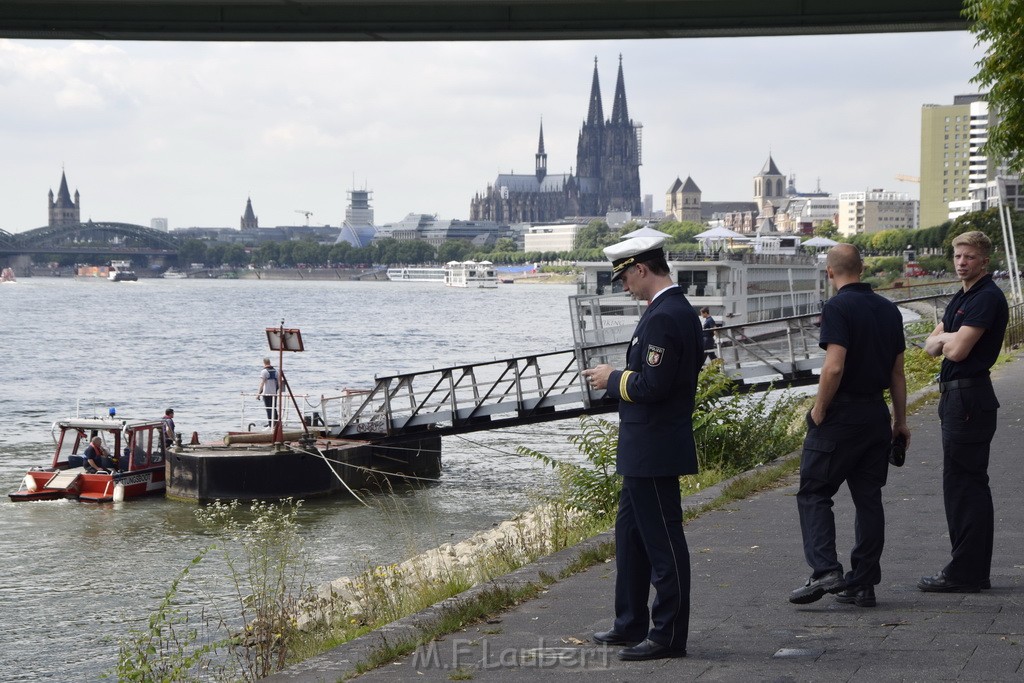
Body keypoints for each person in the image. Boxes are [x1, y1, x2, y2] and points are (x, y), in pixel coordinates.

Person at [582, 235, 703, 661]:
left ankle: (668, 635)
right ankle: (629, 621)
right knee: (630, 535)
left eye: (625, 278)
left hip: (653, 447)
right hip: (644, 445)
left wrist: (611, 378)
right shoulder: (669, 312)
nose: (625, 287)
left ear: (641, 269)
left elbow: (654, 383)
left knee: (663, 541)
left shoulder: (666, 316)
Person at [789, 244, 909, 608]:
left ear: (830, 273)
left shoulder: (837, 307)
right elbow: (898, 374)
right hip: (876, 414)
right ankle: (863, 583)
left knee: (814, 491)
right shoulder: (890, 311)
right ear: (863, 267)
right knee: (868, 499)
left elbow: (834, 366)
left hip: (841, 416)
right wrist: (900, 423)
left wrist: (819, 411)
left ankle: (826, 569)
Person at [919, 230, 1008, 593]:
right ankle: (969, 569)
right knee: (960, 483)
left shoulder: (986, 298)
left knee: (965, 484)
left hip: (969, 398)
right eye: (957, 256)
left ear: (984, 260)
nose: (961, 262)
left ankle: (966, 572)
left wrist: (947, 339)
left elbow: (954, 352)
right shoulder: (962, 296)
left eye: (969, 257)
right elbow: (930, 347)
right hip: (956, 398)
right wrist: (945, 338)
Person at [257, 357, 279, 427]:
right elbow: (278, 383)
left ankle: (270, 424)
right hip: (274, 393)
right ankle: (275, 422)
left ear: (264, 363)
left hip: (266, 393)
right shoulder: (276, 371)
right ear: (269, 362)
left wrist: (258, 394)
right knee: (274, 408)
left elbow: (262, 383)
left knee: (268, 409)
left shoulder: (264, 371)